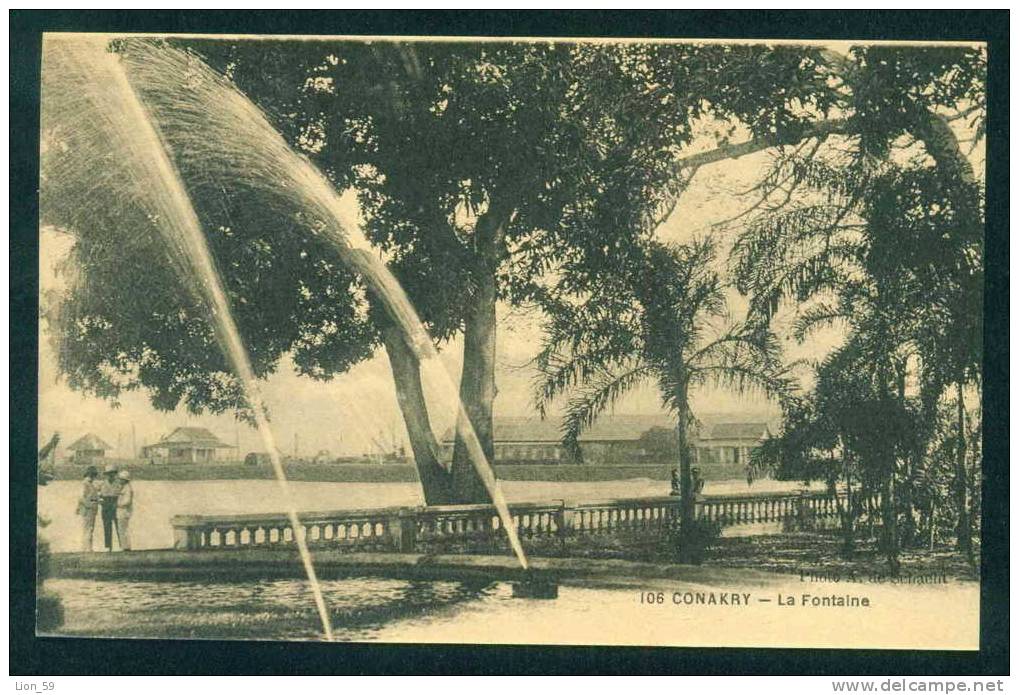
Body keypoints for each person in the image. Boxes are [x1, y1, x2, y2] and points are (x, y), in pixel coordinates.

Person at [97, 464, 122, 551]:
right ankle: (108, 547)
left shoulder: (119, 483)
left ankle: (122, 545)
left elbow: (122, 495)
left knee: (119, 526)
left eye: (112, 473)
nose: (110, 475)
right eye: (108, 473)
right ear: (106, 474)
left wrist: (118, 503)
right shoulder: (102, 484)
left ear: (115, 474)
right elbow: (97, 495)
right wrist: (100, 501)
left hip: (116, 504)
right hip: (106, 505)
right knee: (107, 526)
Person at [76, 466, 101, 551]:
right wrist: (90, 505)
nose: (93, 477)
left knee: (89, 529)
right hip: (88, 510)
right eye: (93, 475)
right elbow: (81, 497)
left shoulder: (90, 484)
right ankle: (86, 548)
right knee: (88, 529)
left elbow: (88, 497)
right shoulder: (85, 484)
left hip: (90, 509)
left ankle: (87, 548)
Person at [116, 470, 134, 551]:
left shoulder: (128, 489)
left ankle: (126, 547)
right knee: (122, 529)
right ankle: (125, 546)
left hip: (124, 511)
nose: (119, 480)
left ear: (124, 480)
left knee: (123, 529)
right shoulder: (124, 487)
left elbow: (127, 501)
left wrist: (117, 504)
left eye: (120, 479)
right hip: (122, 511)